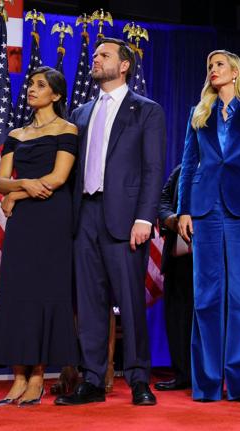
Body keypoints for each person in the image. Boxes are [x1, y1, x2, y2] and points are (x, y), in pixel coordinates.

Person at [55, 38, 166, 406]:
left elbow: (153, 170)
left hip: (125, 217)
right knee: (89, 302)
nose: (96, 58)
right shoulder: (81, 113)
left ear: (124, 67)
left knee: (131, 302)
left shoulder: (146, 111)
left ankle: (138, 379)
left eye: (105, 55)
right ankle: (92, 379)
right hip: (84, 215)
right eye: (96, 54)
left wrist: (144, 217)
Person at [0, 66, 79, 407]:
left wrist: (16, 193)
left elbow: (58, 178)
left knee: (45, 291)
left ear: (55, 95)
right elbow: (0, 181)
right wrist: (21, 186)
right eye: (31, 84)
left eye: (41, 85)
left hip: (52, 218)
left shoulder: (67, 129)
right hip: (22, 223)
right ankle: (18, 376)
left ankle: (38, 375)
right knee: (16, 292)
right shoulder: (16, 133)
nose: (32, 89)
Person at [177, 50, 240, 401]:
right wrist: (184, 209)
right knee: (206, 296)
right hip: (205, 209)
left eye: (219, 65)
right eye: (209, 67)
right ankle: (208, 383)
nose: (213, 70)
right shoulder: (199, 113)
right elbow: (188, 162)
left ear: (235, 73)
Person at [154, 164, 193, 392]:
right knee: (177, 317)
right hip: (179, 255)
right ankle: (182, 374)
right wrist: (172, 220)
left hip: (211, 258)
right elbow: (163, 201)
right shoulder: (181, 170)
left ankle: (207, 374)